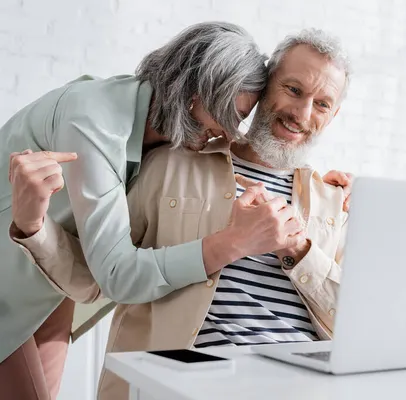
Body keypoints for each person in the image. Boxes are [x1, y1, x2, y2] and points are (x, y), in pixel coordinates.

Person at [0, 22, 351, 400]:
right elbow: (102, 273)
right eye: (293, 89)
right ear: (266, 87)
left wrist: (300, 251)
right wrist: (32, 225)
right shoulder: (168, 160)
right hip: (189, 379)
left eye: (322, 103)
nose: (302, 112)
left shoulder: (337, 198)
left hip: (303, 385)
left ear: (333, 115)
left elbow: (364, 322)